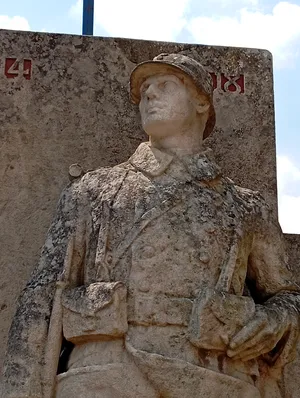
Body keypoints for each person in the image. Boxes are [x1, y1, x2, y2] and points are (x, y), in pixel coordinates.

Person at [3, 53, 300, 398]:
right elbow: (42, 299)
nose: (149, 95)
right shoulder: (92, 191)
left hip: (214, 379)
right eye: (145, 89)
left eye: (165, 86)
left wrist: (275, 321)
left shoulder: (246, 206)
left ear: (202, 102)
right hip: (106, 376)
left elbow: (285, 296)